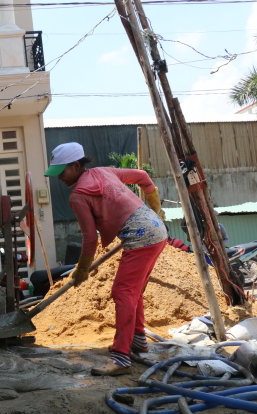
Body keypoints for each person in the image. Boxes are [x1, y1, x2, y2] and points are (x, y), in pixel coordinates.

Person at [45, 142, 167, 376]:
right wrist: (155, 208)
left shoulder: (79, 195)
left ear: (74, 165)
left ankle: (121, 359)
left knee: (123, 292)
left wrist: (82, 269)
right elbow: (142, 177)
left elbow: (90, 239)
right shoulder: (103, 172)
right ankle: (138, 340)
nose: (58, 178)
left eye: (61, 172)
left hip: (141, 236)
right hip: (156, 229)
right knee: (134, 291)